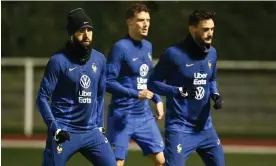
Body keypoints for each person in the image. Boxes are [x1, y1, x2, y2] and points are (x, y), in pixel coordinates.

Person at [36, 8, 116, 166]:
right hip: (64, 131)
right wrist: (55, 128)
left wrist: (99, 126)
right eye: (81, 31)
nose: (87, 35)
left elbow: (100, 95)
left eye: (89, 30)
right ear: (72, 34)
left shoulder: (99, 60)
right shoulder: (58, 61)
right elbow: (42, 98)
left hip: (91, 131)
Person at [148, 10, 225, 166]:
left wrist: (215, 94)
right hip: (179, 129)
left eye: (212, 29)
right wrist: (179, 91)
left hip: (205, 128)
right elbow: (152, 83)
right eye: (205, 29)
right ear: (192, 28)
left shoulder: (213, 53)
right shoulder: (173, 54)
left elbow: (211, 80)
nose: (210, 33)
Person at [106, 3, 165, 166]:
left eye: (148, 20)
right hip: (121, 115)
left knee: (163, 162)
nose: (146, 24)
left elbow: (148, 78)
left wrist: (158, 100)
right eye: (140, 20)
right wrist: (135, 94)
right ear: (129, 21)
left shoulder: (148, 46)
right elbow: (107, 82)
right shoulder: (120, 48)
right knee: (116, 164)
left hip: (144, 116)